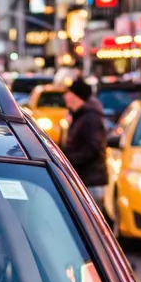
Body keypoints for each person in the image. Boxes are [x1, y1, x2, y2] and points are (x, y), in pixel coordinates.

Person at [61, 76, 107, 208]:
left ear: (76, 96)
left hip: (90, 183)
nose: (65, 97)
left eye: (68, 93)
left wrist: (69, 160)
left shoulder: (89, 118)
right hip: (84, 181)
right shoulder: (79, 116)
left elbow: (93, 148)